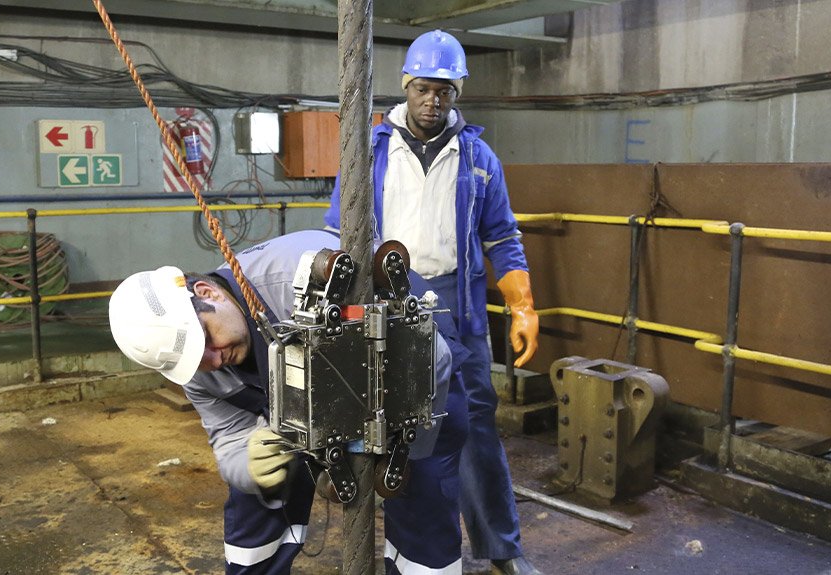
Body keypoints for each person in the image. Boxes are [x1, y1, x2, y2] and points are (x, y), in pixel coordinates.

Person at [107, 229, 469, 574]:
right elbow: (228, 438)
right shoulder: (199, 369)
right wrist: (248, 464)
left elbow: (430, 358)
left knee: (421, 492)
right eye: (198, 360)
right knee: (260, 490)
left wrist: (400, 451)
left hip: (412, 362)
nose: (214, 361)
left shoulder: (307, 283)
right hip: (304, 401)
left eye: (207, 341)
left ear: (208, 293)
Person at [324, 29, 542, 575]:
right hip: (385, 304)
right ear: (406, 85)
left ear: (458, 91)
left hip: (456, 308)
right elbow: (336, 233)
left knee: (475, 429)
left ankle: (501, 548)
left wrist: (523, 306)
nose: (433, 100)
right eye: (424, 87)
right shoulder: (368, 150)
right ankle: (410, 547)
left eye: (445, 90)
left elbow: (502, 238)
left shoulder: (478, 157)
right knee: (386, 425)